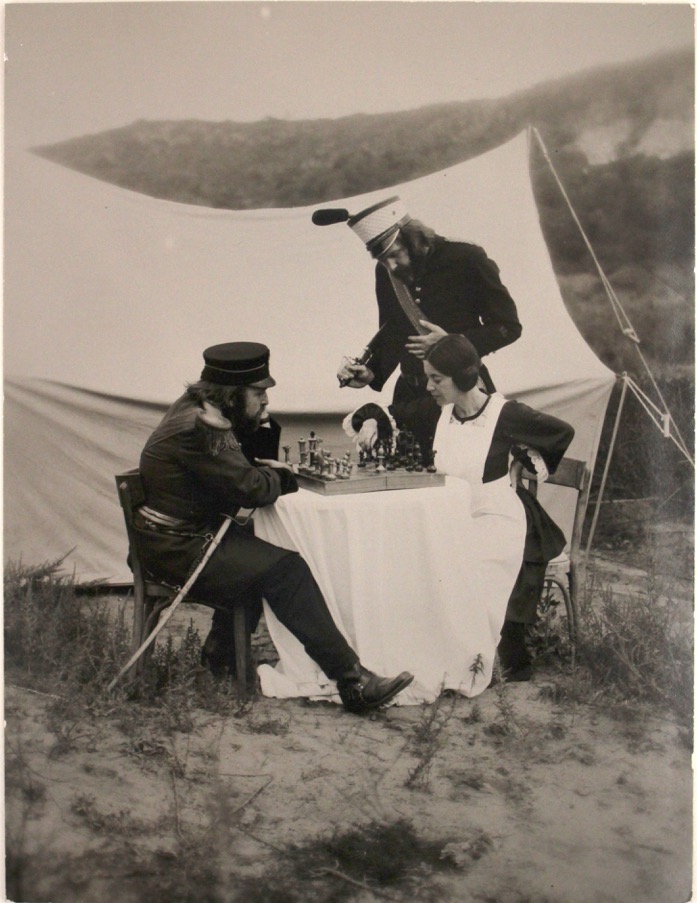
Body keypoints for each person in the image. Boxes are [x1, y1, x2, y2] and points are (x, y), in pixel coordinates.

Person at [134, 341, 414, 713]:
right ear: (233, 394)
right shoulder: (202, 427)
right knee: (287, 569)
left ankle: (219, 658)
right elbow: (253, 488)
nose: (266, 400)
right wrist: (283, 476)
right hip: (177, 549)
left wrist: (259, 430)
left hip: (178, 535)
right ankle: (352, 681)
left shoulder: (196, 408)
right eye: (259, 392)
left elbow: (243, 467)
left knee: (260, 549)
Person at [344, 333, 574, 682]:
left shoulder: (504, 413)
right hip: (449, 518)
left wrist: (525, 461)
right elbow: (386, 413)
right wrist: (373, 421)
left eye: (437, 379)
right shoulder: (437, 412)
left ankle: (473, 661)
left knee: (465, 575)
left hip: (495, 518)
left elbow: (561, 432)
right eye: (428, 378)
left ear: (464, 377)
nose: (430, 387)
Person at [314, 196, 521, 405]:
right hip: (410, 396)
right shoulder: (386, 271)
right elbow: (393, 330)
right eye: (382, 260)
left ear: (414, 239)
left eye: (395, 254)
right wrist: (370, 372)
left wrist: (450, 343)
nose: (391, 267)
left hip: (462, 391)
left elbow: (508, 327)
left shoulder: (466, 257)